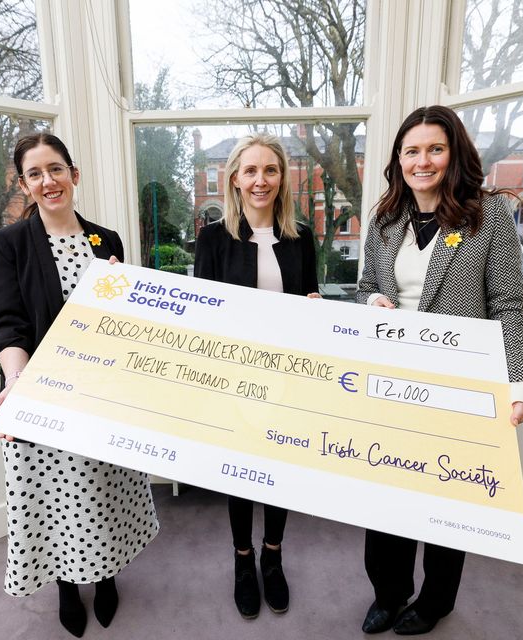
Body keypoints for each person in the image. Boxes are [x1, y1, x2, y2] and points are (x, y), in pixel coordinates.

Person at [356, 106, 523, 635]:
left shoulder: (489, 215)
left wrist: (520, 383)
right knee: (386, 494)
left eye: (435, 149)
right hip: (391, 386)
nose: (423, 161)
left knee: (446, 498)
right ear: (399, 160)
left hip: (458, 388)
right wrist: (373, 302)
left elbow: (508, 305)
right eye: (411, 151)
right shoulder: (384, 219)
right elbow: (367, 285)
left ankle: (435, 601)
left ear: (454, 154)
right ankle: (388, 593)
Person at [0, 133, 159, 638]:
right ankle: (66, 585)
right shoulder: (9, 244)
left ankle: (105, 576)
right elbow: (7, 324)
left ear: (73, 174)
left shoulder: (107, 241)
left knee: (103, 490)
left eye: (56, 169)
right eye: (35, 174)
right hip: (39, 396)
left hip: (102, 393)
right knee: (57, 498)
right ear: (25, 185)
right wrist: (17, 383)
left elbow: (122, 321)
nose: (48, 181)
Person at [194, 132, 320, 619]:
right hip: (235, 378)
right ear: (235, 179)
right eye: (251, 170)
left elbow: (310, 302)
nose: (260, 180)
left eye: (270, 170)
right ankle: (243, 559)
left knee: (280, 470)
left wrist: (314, 307)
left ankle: (273, 555)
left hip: (288, 377)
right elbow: (202, 315)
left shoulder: (301, 237)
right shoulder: (213, 238)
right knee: (241, 473)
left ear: (282, 178)